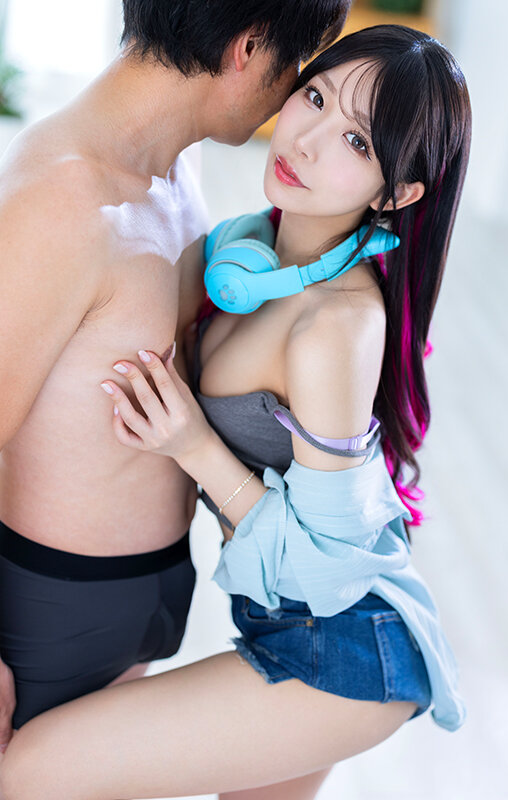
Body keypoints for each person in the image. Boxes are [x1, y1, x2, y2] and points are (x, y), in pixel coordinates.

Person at [1, 24, 471, 800]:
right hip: (277, 627)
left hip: (344, 651)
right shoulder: (254, 255)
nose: (306, 141)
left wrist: (194, 446)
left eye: (356, 141)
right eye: (314, 97)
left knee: (24, 773)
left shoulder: (336, 326)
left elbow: (329, 570)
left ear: (396, 194)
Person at [0, 0, 350, 746]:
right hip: (50, 605)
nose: (291, 87)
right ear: (249, 48)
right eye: (293, 63)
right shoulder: (59, 201)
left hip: (146, 590)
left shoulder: (174, 164)